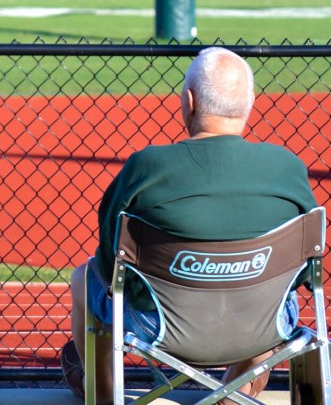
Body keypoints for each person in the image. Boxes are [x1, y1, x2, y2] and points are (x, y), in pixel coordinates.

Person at [61, 47, 317, 405]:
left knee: (84, 277)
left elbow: (107, 265)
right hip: (261, 326)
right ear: (249, 103)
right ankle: (234, 395)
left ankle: (102, 393)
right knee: (279, 286)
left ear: (190, 101)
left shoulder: (146, 167)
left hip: (158, 328)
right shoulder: (287, 168)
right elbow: (306, 273)